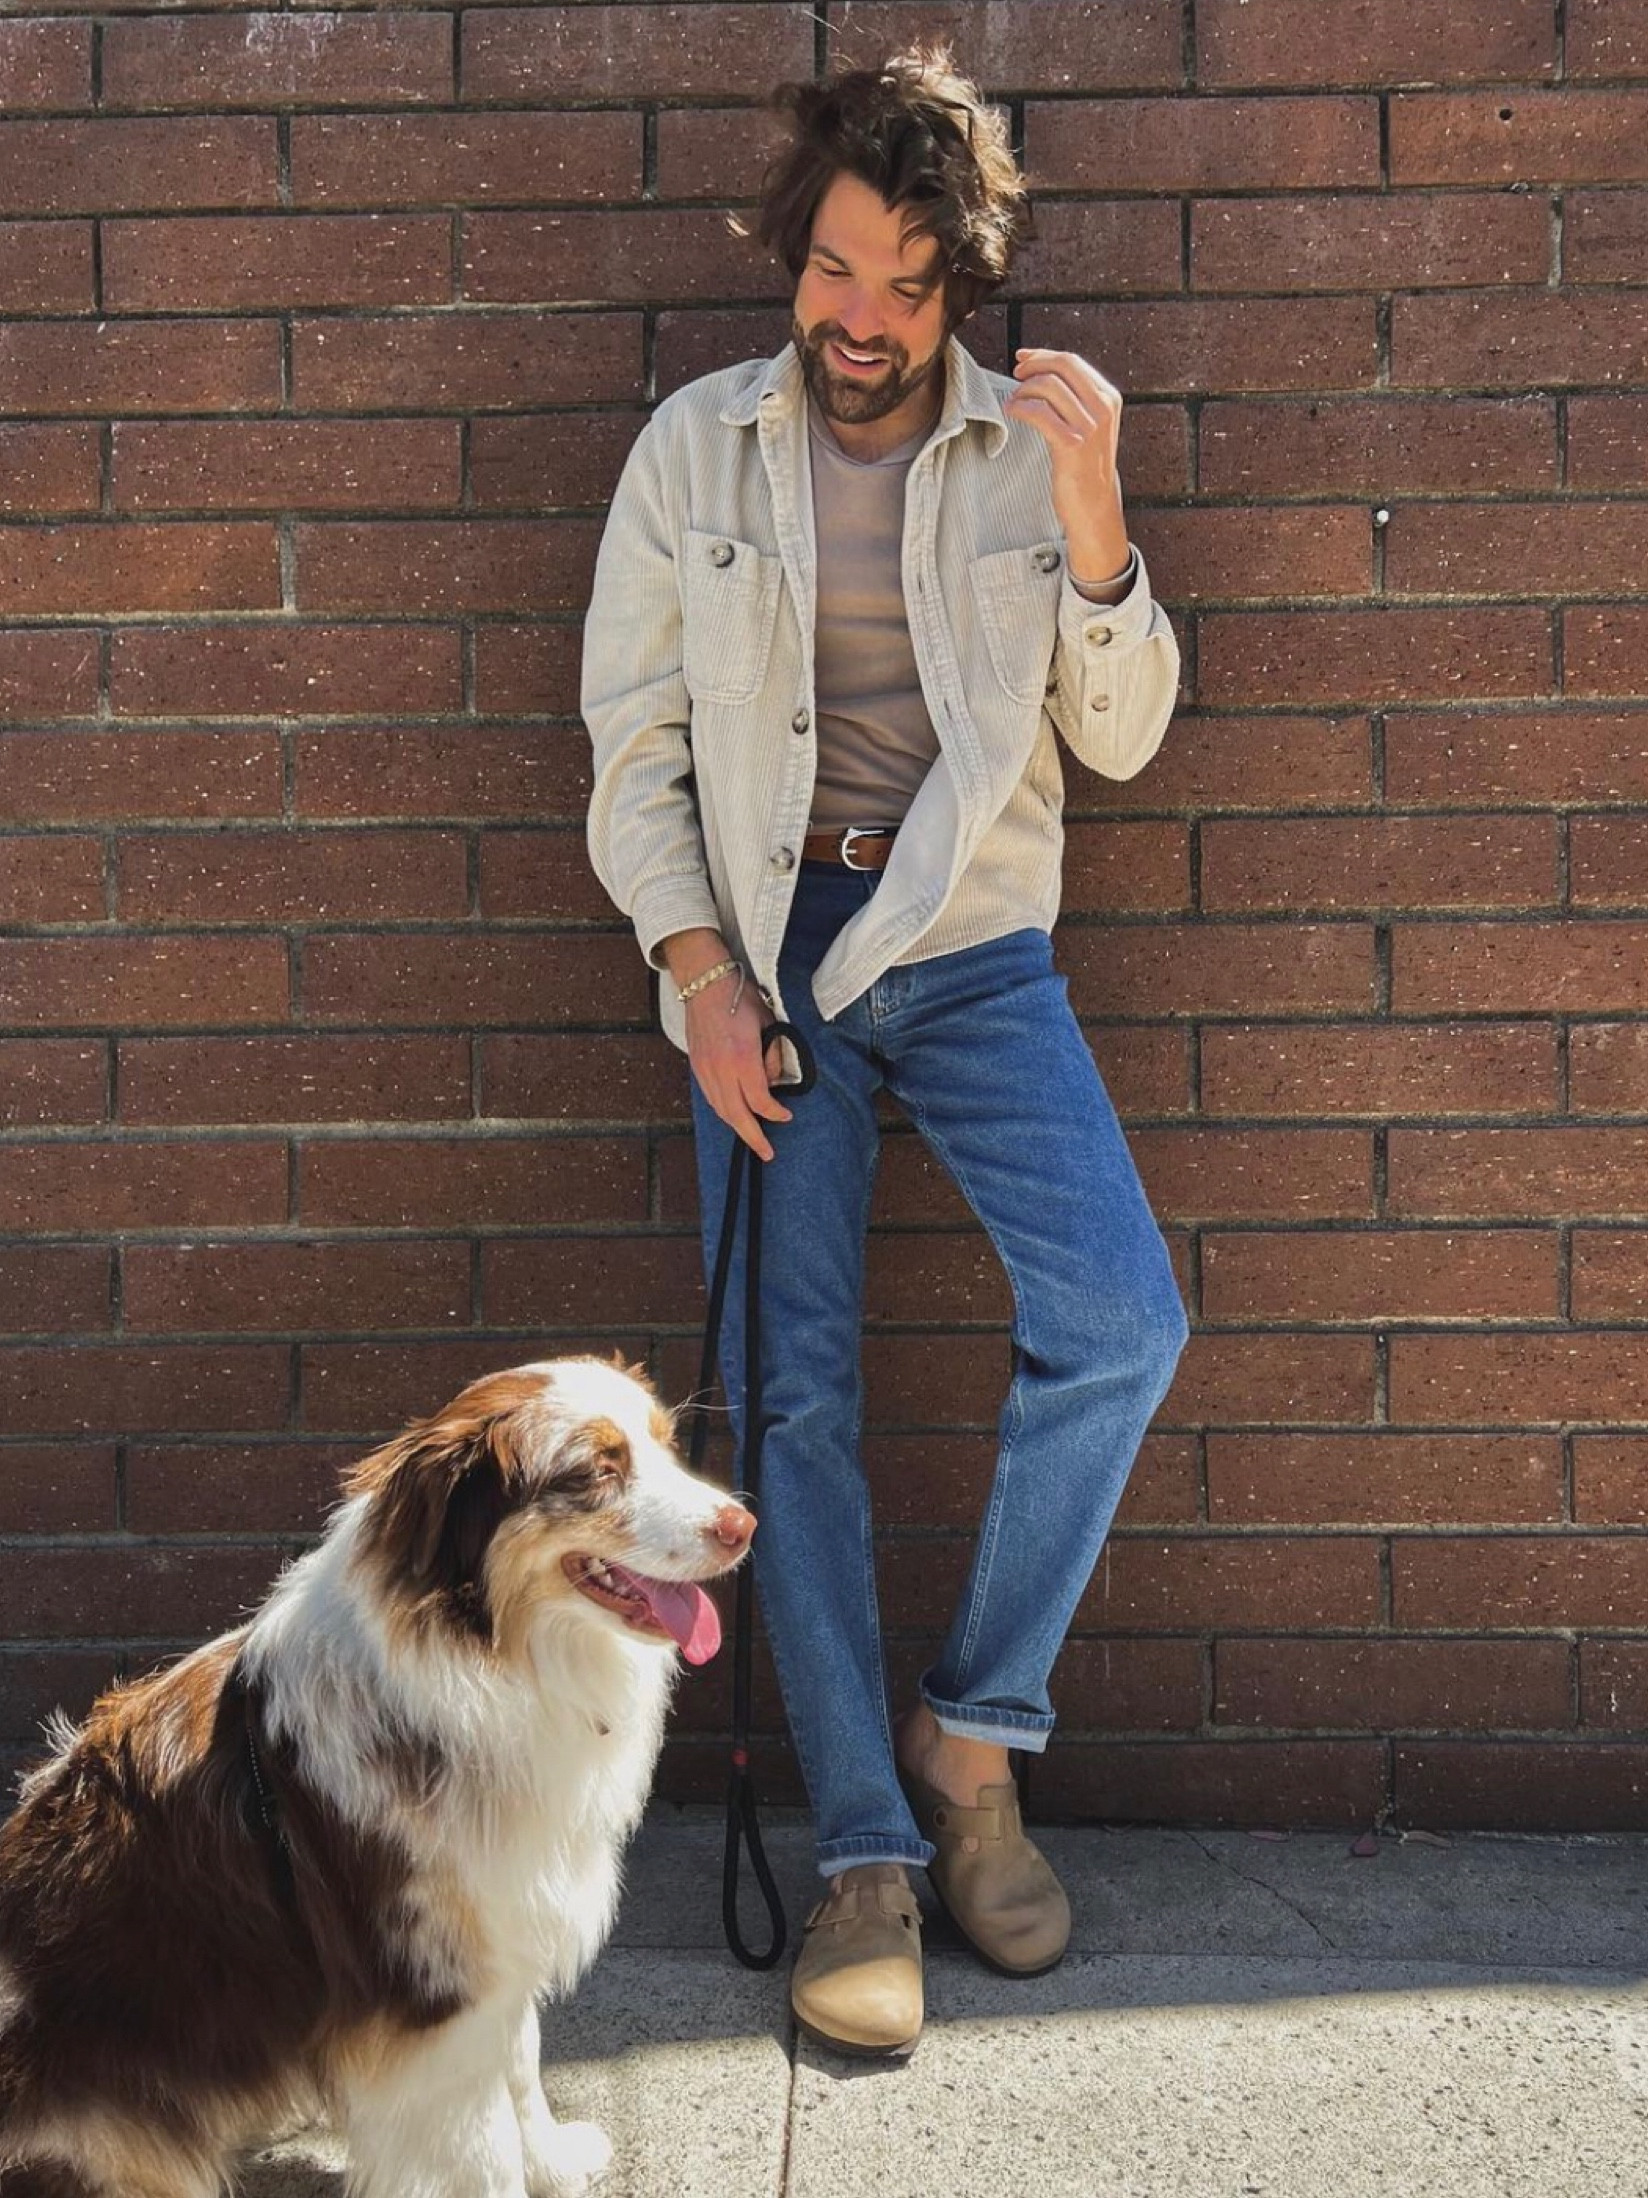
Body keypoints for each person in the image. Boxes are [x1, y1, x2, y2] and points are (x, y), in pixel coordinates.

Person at [581, 45, 1189, 2060]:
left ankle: (969, 1746)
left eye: (905, 285)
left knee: (1117, 1317)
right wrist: (698, 973)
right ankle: (862, 1847)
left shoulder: (1029, 447)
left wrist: (1096, 525)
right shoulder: (694, 451)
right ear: (793, 256)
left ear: (962, 289)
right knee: (796, 1394)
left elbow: (1117, 731)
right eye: (832, 271)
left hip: (969, 943)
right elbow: (635, 746)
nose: (858, 320)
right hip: (764, 944)